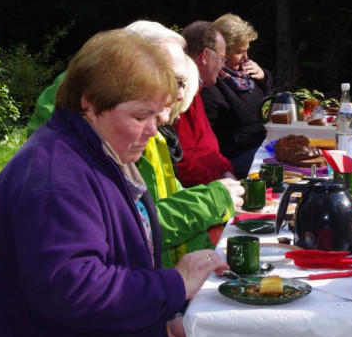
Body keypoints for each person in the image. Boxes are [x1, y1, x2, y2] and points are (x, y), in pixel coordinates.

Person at [0, 30, 229, 337]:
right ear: (89, 102)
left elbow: (118, 262)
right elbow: (72, 291)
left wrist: (157, 327)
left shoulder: (99, 153)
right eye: (140, 116)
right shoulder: (55, 180)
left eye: (158, 115)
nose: (154, 129)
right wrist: (174, 283)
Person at [25, 21, 243, 270]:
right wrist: (173, 286)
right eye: (175, 81)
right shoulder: (59, 171)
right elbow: (127, 236)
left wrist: (205, 261)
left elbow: (145, 217)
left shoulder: (135, 135)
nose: (177, 96)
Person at [201, 13, 273, 178]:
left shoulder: (242, 73)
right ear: (222, 51)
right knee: (278, 162)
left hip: (259, 145)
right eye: (240, 52)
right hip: (234, 156)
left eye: (247, 50)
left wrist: (263, 76)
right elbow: (207, 141)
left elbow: (266, 90)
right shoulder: (210, 84)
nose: (246, 57)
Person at [175, 21, 238, 186]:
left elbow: (208, 146)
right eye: (222, 58)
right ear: (205, 56)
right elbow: (184, 163)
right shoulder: (183, 95)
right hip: (201, 194)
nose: (223, 66)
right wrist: (219, 186)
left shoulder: (197, 89)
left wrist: (226, 170)